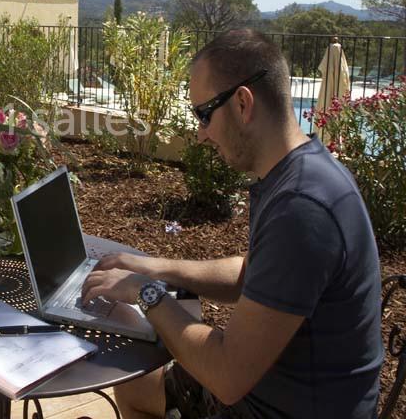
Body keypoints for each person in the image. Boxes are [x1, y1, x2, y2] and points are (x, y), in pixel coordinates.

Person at [82, 29, 383, 419]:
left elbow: (226, 377)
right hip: (271, 392)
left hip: (277, 408)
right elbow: (250, 274)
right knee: (133, 383)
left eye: (204, 114)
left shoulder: (302, 207)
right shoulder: (297, 172)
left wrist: (148, 293)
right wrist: (151, 266)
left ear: (242, 103)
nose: (201, 134)